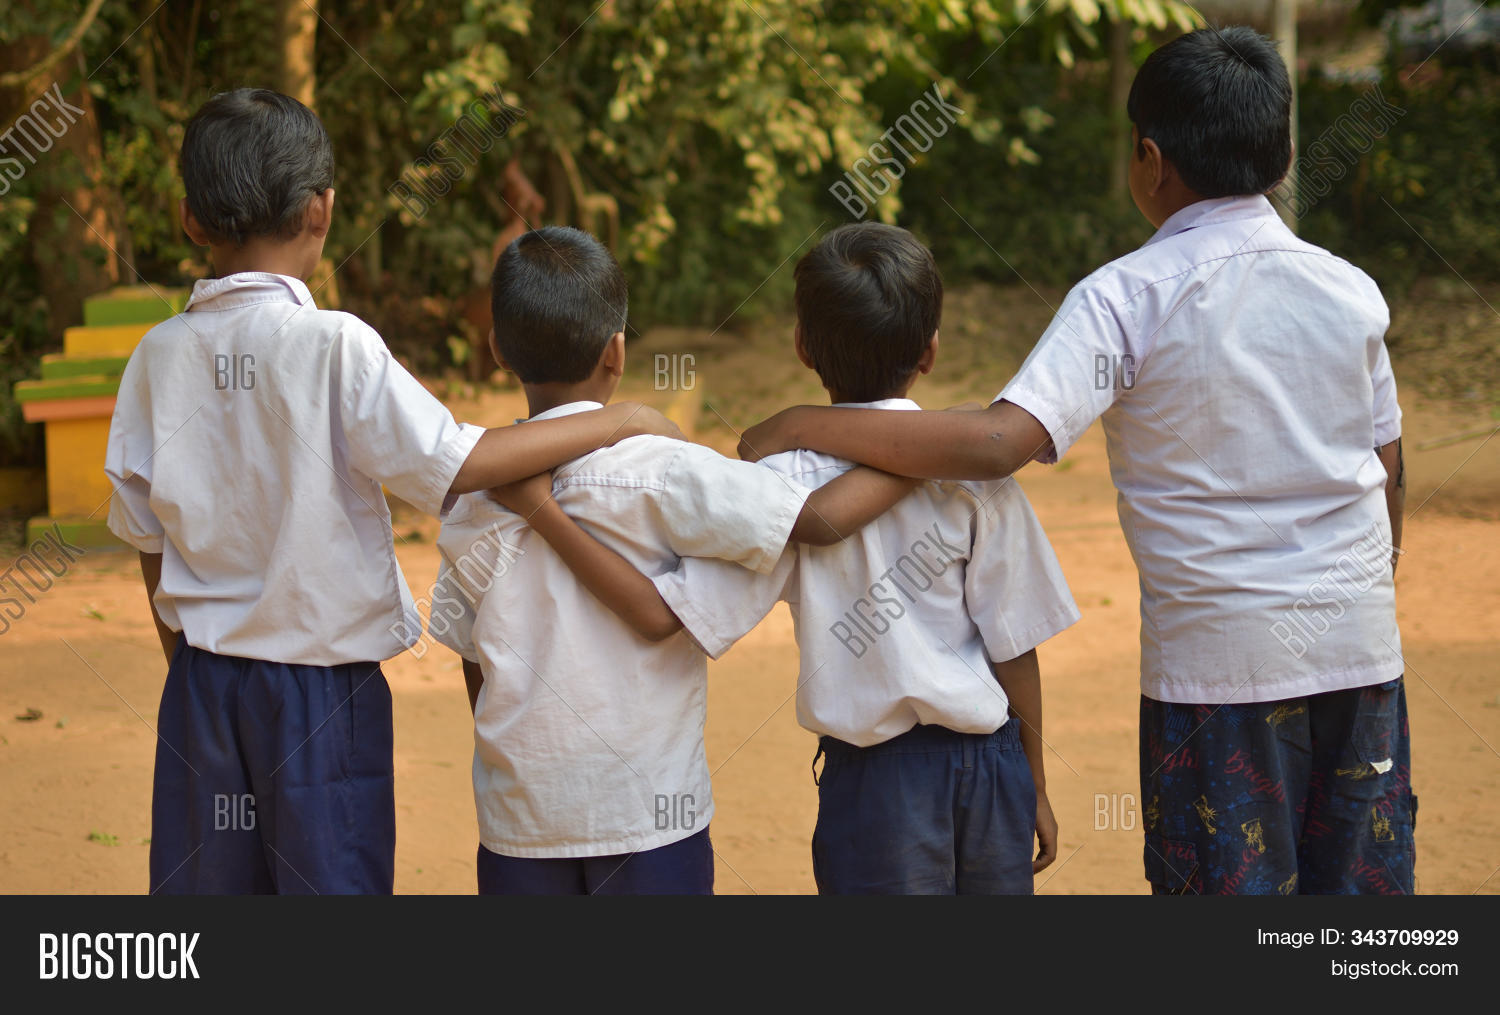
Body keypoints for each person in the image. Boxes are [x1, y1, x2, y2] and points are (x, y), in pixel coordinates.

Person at [737, 28, 1412, 895]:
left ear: (1149, 159)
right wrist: (1371, 588)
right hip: (1362, 654)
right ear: (1283, 153)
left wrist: (806, 421)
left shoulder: (1128, 296)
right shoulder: (1350, 287)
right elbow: (1388, 465)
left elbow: (995, 444)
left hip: (1220, 671)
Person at [104, 89, 682, 894]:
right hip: (320, 695)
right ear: (322, 210)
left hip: (202, 686)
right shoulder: (334, 344)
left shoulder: (154, 358)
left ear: (189, 220)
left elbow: (146, 541)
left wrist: (197, 666)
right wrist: (619, 420)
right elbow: (462, 462)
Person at [430, 225, 913, 894]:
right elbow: (814, 518)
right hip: (651, 816)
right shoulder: (664, 469)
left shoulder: (472, 499)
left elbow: (471, 655)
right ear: (617, 352)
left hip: (521, 821)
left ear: (497, 349)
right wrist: (924, 457)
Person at [652, 222, 1080, 894]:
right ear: (931, 351)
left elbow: (695, 611)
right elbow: (1014, 641)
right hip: (994, 761)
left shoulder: (786, 479)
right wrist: (1035, 781)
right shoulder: (977, 474)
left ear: (801, 346)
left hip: (878, 784)